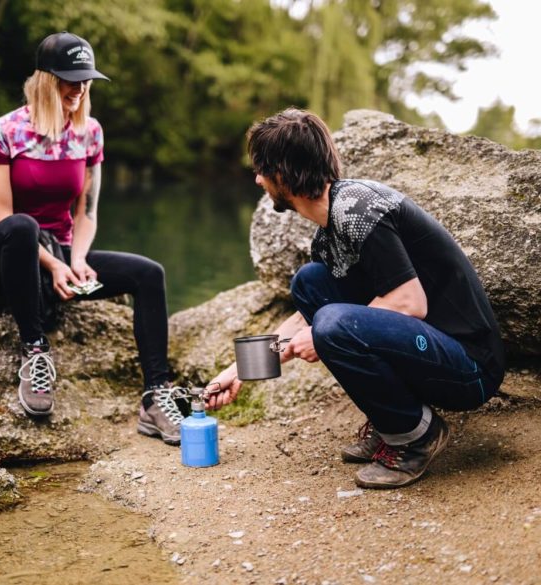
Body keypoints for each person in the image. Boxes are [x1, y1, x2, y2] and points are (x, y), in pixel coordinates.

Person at [207, 108, 506, 489]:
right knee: (310, 283)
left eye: (262, 169)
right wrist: (237, 372)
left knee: (332, 324)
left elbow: (410, 303)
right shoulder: (331, 229)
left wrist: (323, 334)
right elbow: (305, 320)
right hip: (429, 350)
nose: (257, 179)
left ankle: (417, 436)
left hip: (471, 369)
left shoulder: (361, 211)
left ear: (282, 175)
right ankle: (392, 420)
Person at [0, 31, 186, 444]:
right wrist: (54, 264)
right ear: (46, 80)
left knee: (149, 274)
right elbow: (3, 219)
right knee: (23, 226)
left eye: (86, 79)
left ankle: (155, 396)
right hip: (3, 257)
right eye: (71, 79)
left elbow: (87, 212)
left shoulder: (90, 132)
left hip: (61, 253)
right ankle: (35, 351)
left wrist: (77, 260)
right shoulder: (3, 131)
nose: (81, 88)